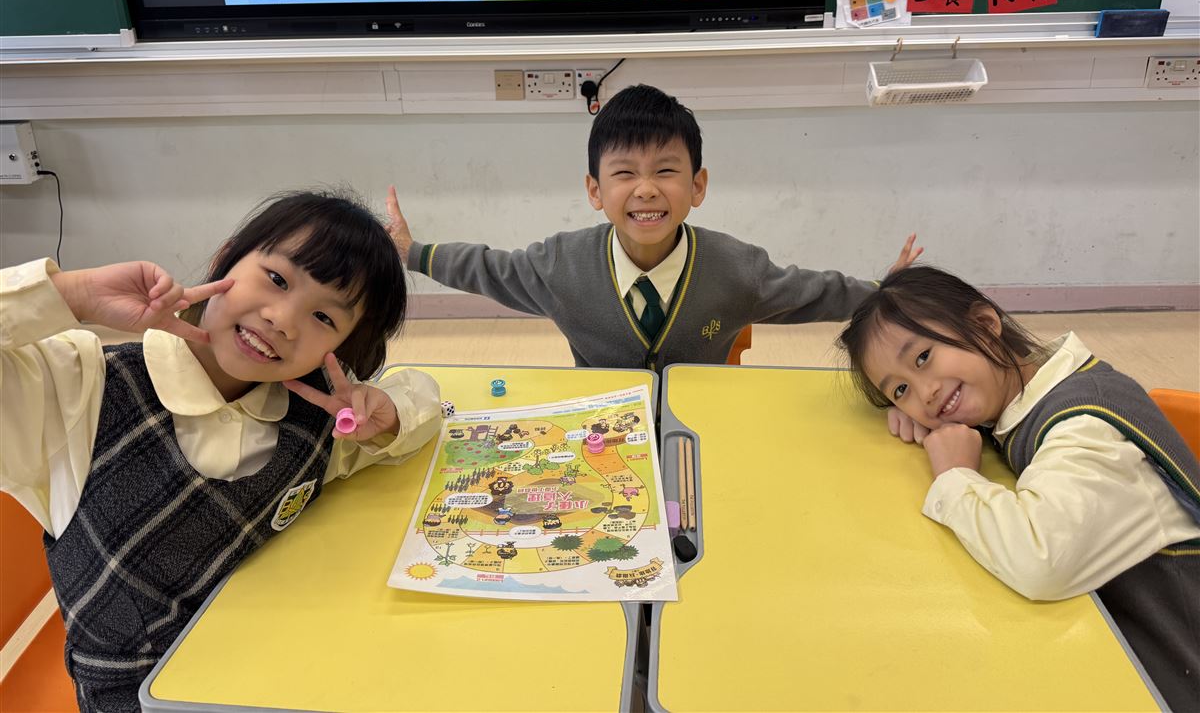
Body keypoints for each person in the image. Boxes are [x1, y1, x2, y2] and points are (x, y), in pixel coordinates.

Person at [0, 189, 441, 712]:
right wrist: (69, 295)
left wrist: (387, 412)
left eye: (324, 318)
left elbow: (424, 402)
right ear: (225, 258)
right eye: (277, 279)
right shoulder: (74, 390)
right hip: (137, 698)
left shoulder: (316, 422)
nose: (283, 319)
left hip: (265, 667)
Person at [838, 266, 1199, 710]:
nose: (924, 394)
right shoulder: (1028, 387)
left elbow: (1041, 562)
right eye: (900, 390)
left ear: (984, 324)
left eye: (923, 357)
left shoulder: (1086, 428)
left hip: (1167, 676)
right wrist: (932, 413)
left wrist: (956, 476)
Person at [388, 83, 920, 370]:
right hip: (603, 432)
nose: (645, 189)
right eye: (624, 174)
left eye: (666, 171)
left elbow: (812, 291)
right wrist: (413, 253)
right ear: (595, 191)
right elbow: (491, 268)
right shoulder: (561, 266)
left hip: (705, 427)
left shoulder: (738, 269)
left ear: (698, 186)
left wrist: (883, 291)